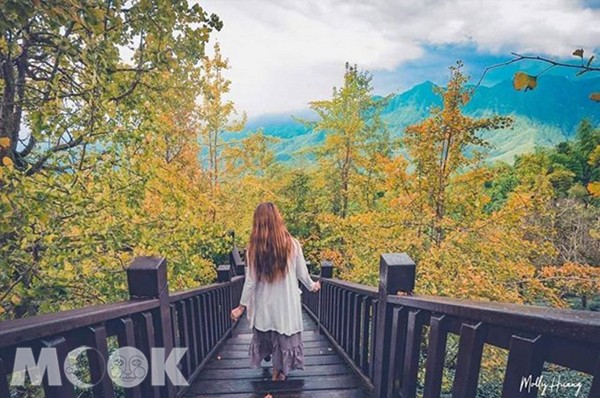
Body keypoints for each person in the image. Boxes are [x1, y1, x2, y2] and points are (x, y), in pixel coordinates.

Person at [230, 202, 321, 381]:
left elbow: (250, 281)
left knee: (268, 332)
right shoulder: (292, 245)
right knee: (283, 334)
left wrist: (241, 307)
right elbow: (302, 274)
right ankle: (279, 371)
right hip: (286, 303)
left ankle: (272, 363)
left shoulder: (253, 249)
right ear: (278, 219)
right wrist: (312, 286)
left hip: (265, 304)